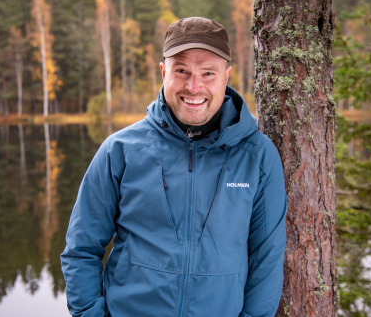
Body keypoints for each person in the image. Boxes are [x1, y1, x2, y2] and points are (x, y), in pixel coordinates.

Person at [61, 17, 287, 317]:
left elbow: (266, 259)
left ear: (227, 76)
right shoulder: (121, 151)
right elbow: (81, 249)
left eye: (208, 73)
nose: (195, 86)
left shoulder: (257, 156)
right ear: (163, 71)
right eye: (182, 71)